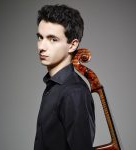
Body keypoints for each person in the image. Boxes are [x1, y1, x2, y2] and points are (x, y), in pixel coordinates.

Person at [34, 4, 95, 150]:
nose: (42, 46)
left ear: (72, 45)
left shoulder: (74, 92)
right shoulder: (54, 85)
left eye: (53, 39)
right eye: (40, 37)